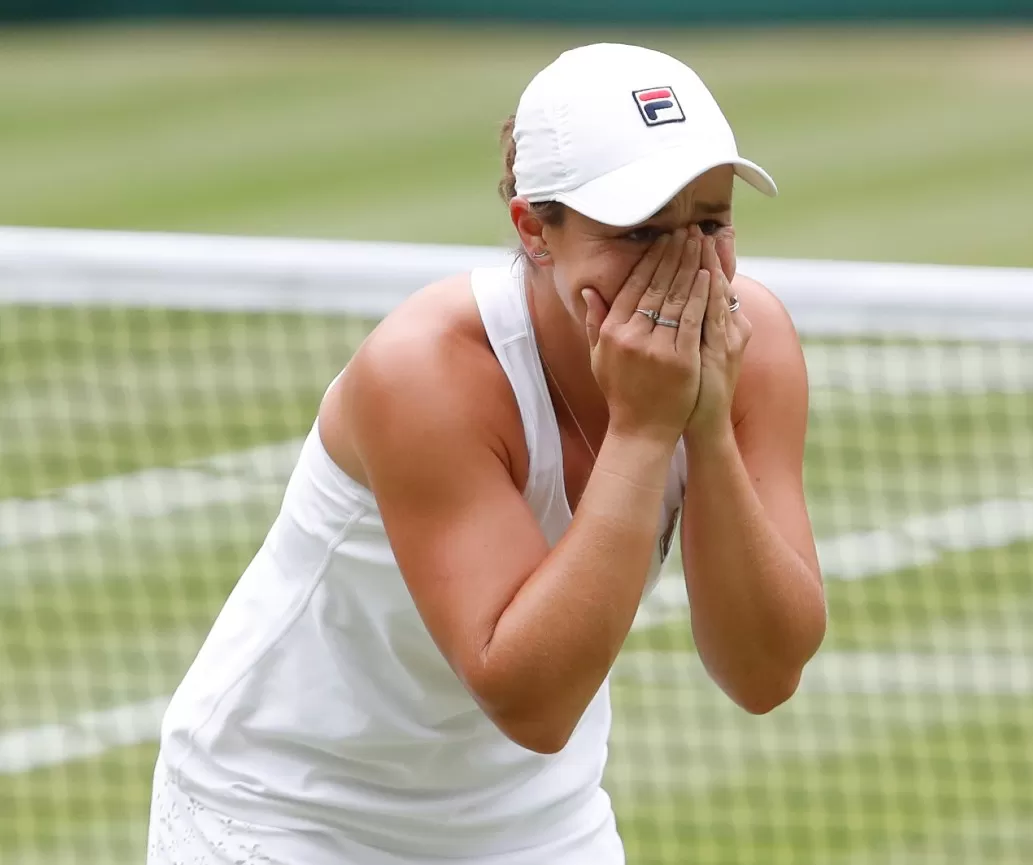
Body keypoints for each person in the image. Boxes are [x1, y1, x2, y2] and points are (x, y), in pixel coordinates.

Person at [146, 41, 825, 865]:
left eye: (711, 224)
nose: (685, 271)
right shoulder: (425, 373)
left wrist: (706, 427)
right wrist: (646, 429)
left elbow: (764, 673)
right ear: (535, 231)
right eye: (641, 231)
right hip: (285, 815)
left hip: (537, 823)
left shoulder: (752, 346)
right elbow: (532, 701)